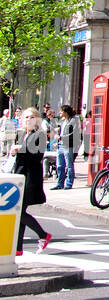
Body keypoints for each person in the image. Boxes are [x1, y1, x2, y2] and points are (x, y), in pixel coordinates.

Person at [9, 107, 51, 255]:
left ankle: (43, 235)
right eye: (26, 117)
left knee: (19, 212)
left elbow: (36, 155)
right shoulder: (23, 135)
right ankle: (18, 248)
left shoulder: (39, 135)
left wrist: (19, 149)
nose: (29, 120)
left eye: (32, 117)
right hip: (20, 176)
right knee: (20, 212)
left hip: (30, 178)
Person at [54, 105, 81, 190]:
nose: (60, 113)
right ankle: (59, 184)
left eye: (61, 111)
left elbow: (74, 133)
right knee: (59, 165)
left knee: (69, 165)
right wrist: (58, 138)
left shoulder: (74, 120)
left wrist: (62, 137)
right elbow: (60, 132)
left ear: (66, 112)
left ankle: (69, 184)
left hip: (69, 145)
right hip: (60, 145)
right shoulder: (62, 121)